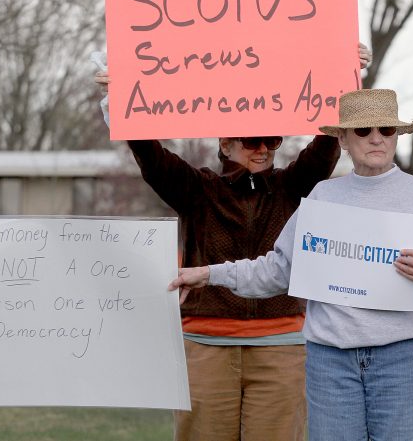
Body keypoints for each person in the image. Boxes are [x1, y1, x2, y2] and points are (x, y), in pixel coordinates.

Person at [95, 44, 372, 441]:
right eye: (250, 140)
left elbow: (325, 143)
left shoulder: (291, 186)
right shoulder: (197, 189)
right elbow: (151, 155)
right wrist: (121, 99)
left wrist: (345, 78)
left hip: (282, 345)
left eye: (272, 140)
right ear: (225, 144)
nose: (262, 149)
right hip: (206, 345)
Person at [169, 88, 413, 441]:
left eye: (386, 130)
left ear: (397, 135)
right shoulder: (323, 196)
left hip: (403, 359)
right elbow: (278, 270)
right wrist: (208, 273)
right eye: (363, 130)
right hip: (331, 363)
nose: (376, 139)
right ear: (342, 138)